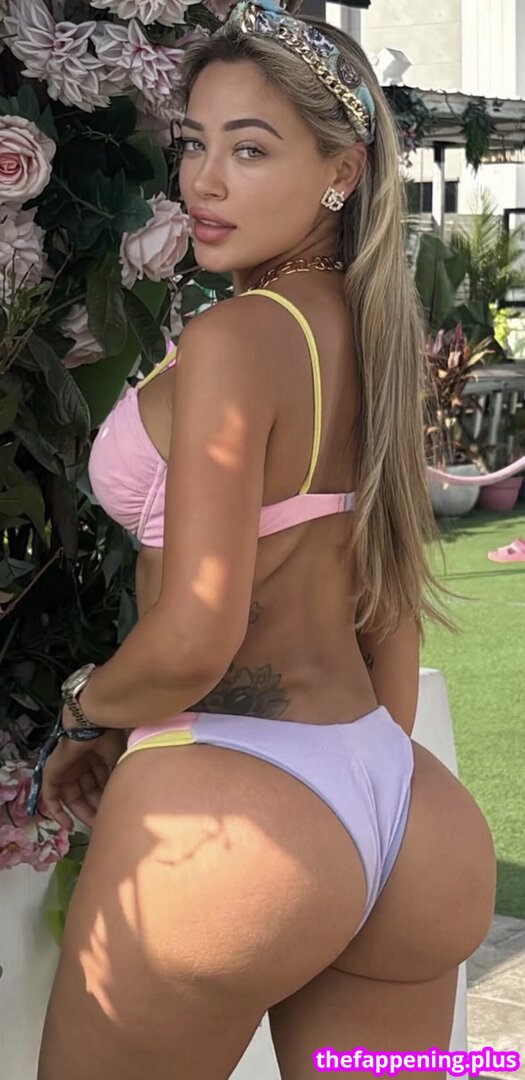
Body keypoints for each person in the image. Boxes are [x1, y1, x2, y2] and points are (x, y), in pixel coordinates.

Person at [30, 2, 496, 1077]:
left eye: (250, 149)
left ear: (341, 172)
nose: (204, 182)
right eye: (194, 143)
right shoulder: (378, 331)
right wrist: (355, 812)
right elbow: (387, 608)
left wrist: (83, 715)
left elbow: (196, 634)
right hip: (403, 815)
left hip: (234, 806)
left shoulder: (238, 336)